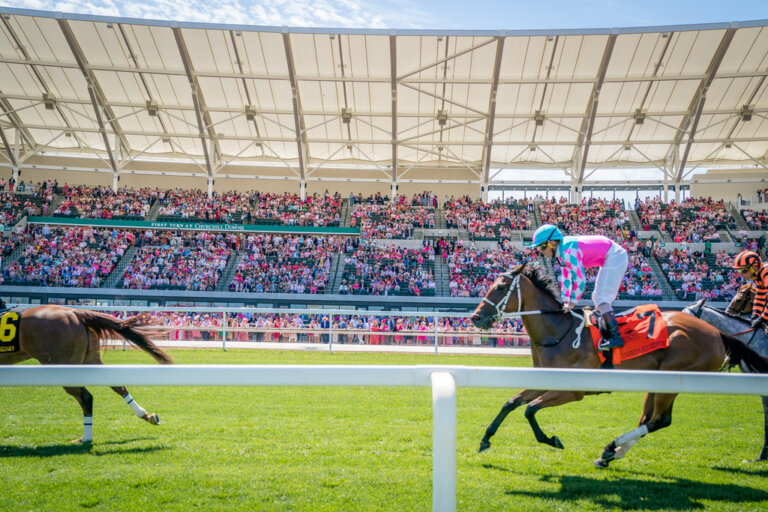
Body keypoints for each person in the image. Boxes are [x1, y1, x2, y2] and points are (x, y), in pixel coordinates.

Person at [530, 224, 629, 350]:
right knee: (597, 298)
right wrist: (565, 301)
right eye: (538, 248)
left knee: (601, 298)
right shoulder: (562, 253)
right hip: (610, 255)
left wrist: (572, 303)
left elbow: (580, 281)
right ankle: (605, 332)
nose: (541, 251)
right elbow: (566, 278)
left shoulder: (567, 251)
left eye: (542, 246)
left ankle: (616, 337)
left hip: (615, 256)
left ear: (553, 243)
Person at [732, 250, 768, 331]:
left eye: (743, 270)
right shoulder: (758, 277)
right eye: (739, 271)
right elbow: (760, 296)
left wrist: (762, 318)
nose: (741, 274)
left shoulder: (766, 272)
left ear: (754, 267)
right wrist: (755, 315)